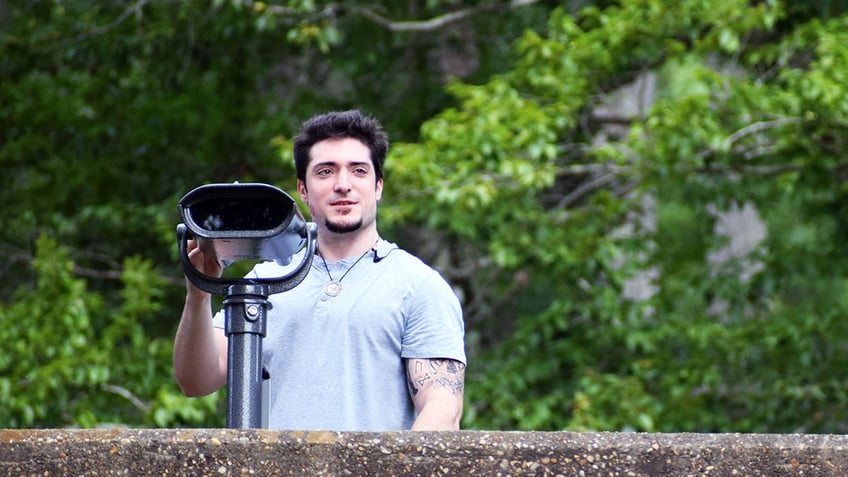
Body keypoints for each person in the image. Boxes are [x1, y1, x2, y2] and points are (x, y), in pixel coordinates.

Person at [173, 110, 467, 431]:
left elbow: (442, 407)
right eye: (326, 172)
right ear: (303, 190)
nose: (343, 185)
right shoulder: (266, 280)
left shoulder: (418, 285)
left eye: (358, 171)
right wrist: (198, 296)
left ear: (378, 186)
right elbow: (196, 381)